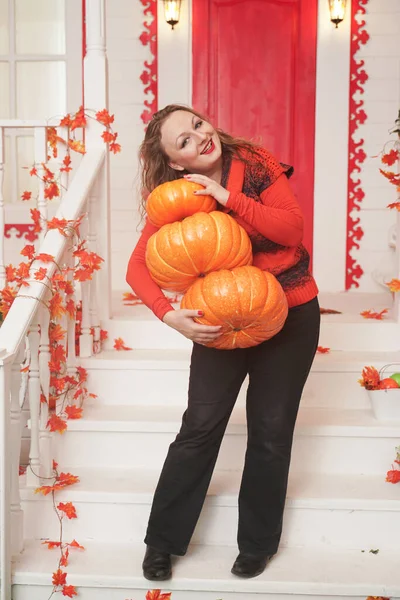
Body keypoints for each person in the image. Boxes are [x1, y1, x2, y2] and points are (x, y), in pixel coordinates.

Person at [126, 104, 320, 581]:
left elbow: (291, 229)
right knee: (200, 425)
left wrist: (227, 196)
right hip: (218, 319)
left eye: (197, 124)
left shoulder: (255, 164)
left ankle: (256, 544)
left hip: (290, 311)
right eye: (184, 141)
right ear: (176, 162)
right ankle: (162, 542)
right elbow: (137, 268)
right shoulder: (177, 197)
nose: (200, 137)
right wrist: (173, 318)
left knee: (271, 433)